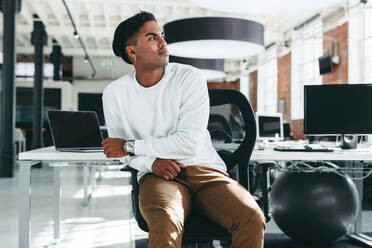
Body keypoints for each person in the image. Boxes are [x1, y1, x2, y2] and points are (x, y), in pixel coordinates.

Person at [102, 11, 266, 248]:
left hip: (205, 170)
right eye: (152, 37)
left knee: (251, 217)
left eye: (162, 35)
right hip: (157, 176)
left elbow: (187, 144)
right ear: (132, 51)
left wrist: (133, 146)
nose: (163, 42)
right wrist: (151, 163)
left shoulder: (189, 77)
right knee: (166, 220)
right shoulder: (115, 93)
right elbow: (120, 154)